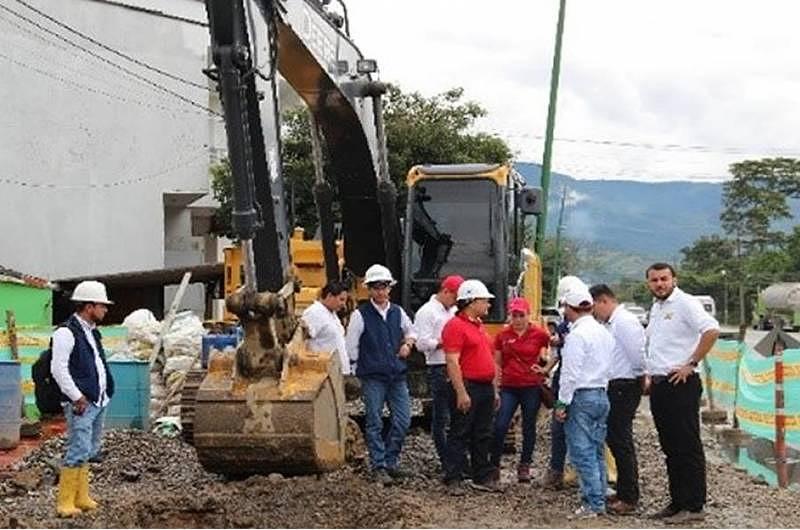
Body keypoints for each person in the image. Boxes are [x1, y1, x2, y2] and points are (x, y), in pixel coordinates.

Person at [645, 263, 720, 524]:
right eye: (654, 280)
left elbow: (711, 330)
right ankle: (677, 501)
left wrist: (692, 363)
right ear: (649, 284)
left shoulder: (686, 303)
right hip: (660, 384)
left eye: (664, 279)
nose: (659, 284)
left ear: (674, 279)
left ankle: (694, 504)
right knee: (670, 446)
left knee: (687, 445)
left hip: (681, 383)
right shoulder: (656, 307)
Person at [345, 264, 416, 485]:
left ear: (389, 288)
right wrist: (353, 372)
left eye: (384, 287)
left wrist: (408, 344)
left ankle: (390, 461)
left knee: (403, 420)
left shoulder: (398, 312)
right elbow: (351, 346)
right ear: (369, 290)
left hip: (396, 375)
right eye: (376, 287)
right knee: (374, 421)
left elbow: (411, 331)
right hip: (373, 376)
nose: (380, 291)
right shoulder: (360, 315)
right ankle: (379, 465)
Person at [51, 280, 115, 517]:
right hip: (81, 403)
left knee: (89, 449)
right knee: (78, 448)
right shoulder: (66, 333)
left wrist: (105, 393)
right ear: (89, 307)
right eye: (102, 305)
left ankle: (81, 496)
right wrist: (77, 397)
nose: (105, 310)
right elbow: (59, 369)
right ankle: (65, 502)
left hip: (96, 401)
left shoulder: (90, 332)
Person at [554, 287, 614, 519]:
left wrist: (562, 403)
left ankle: (592, 502)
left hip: (581, 395)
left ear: (570, 308)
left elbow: (570, 374)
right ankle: (600, 496)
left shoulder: (577, 336)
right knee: (597, 450)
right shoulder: (603, 332)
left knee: (582, 452)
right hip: (601, 393)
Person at [589, 284, 646, 515]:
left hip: (624, 384)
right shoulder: (611, 322)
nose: (594, 314)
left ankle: (629, 496)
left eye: (594, 307)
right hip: (615, 385)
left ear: (603, 301)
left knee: (621, 441)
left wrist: (642, 378)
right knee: (615, 439)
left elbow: (637, 354)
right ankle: (623, 492)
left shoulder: (624, 322)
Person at [440, 279, 501, 496]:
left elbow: (490, 359)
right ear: (472, 302)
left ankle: (481, 474)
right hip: (469, 385)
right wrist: (461, 392)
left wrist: (494, 389)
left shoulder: (479, 327)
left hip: (483, 386)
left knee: (483, 432)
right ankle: (453, 476)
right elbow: (452, 362)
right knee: (460, 431)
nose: (488, 305)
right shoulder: (455, 327)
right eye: (485, 300)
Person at [490, 297, 550, 483]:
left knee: (528, 427)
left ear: (527, 315)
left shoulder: (539, 334)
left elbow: (556, 350)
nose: (517, 320)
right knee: (500, 424)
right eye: (514, 315)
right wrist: (495, 387)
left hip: (530, 386)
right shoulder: (503, 336)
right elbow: (497, 362)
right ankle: (494, 465)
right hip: (509, 386)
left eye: (521, 315)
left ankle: (525, 465)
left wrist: (546, 368)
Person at [412, 274, 464, 468]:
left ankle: (456, 456)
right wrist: (443, 342)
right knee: (442, 416)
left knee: (458, 414)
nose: (455, 302)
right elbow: (421, 342)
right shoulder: (427, 312)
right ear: (445, 291)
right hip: (439, 366)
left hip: (456, 365)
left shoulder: (453, 311)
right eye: (454, 297)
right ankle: (446, 459)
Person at [542, 275, 588, 489]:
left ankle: (579, 472)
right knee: (559, 426)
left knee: (579, 427)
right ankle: (557, 470)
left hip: (580, 379)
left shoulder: (586, 328)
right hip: (566, 377)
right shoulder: (564, 326)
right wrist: (546, 369)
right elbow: (559, 354)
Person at [301, 280, 349, 374]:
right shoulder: (314, 312)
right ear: (330, 296)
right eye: (341, 299)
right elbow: (303, 339)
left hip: (338, 373)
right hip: (325, 374)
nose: (343, 304)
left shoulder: (332, 314)